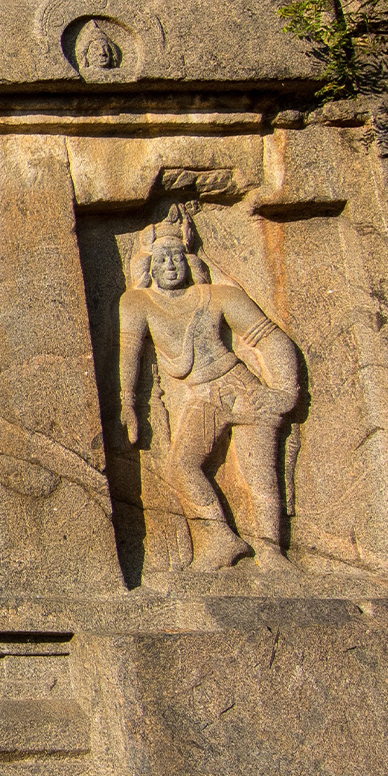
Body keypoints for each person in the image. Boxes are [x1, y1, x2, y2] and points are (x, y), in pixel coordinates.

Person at [117, 206, 300, 571]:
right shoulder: (137, 302)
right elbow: (130, 354)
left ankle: (272, 554)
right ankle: (219, 538)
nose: (170, 265)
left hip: (243, 388)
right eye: (161, 258)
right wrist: (127, 402)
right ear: (148, 266)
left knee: (260, 476)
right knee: (182, 467)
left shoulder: (219, 296)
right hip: (204, 397)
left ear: (189, 260)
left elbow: (269, 337)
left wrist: (286, 389)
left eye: (176, 257)